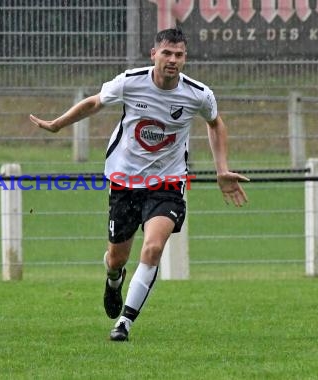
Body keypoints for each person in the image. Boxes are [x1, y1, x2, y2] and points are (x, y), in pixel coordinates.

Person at [29, 27, 249, 341]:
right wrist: (56, 125)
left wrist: (222, 169)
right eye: (167, 54)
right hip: (125, 180)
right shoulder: (131, 82)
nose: (172, 60)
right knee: (117, 257)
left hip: (168, 182)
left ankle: (124, 322)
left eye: (179, 55)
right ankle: (113, 278)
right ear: (154, 55)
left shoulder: (198, 93)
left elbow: (215, 123)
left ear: (185, 58)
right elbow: (94, 102)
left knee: (153, 247)